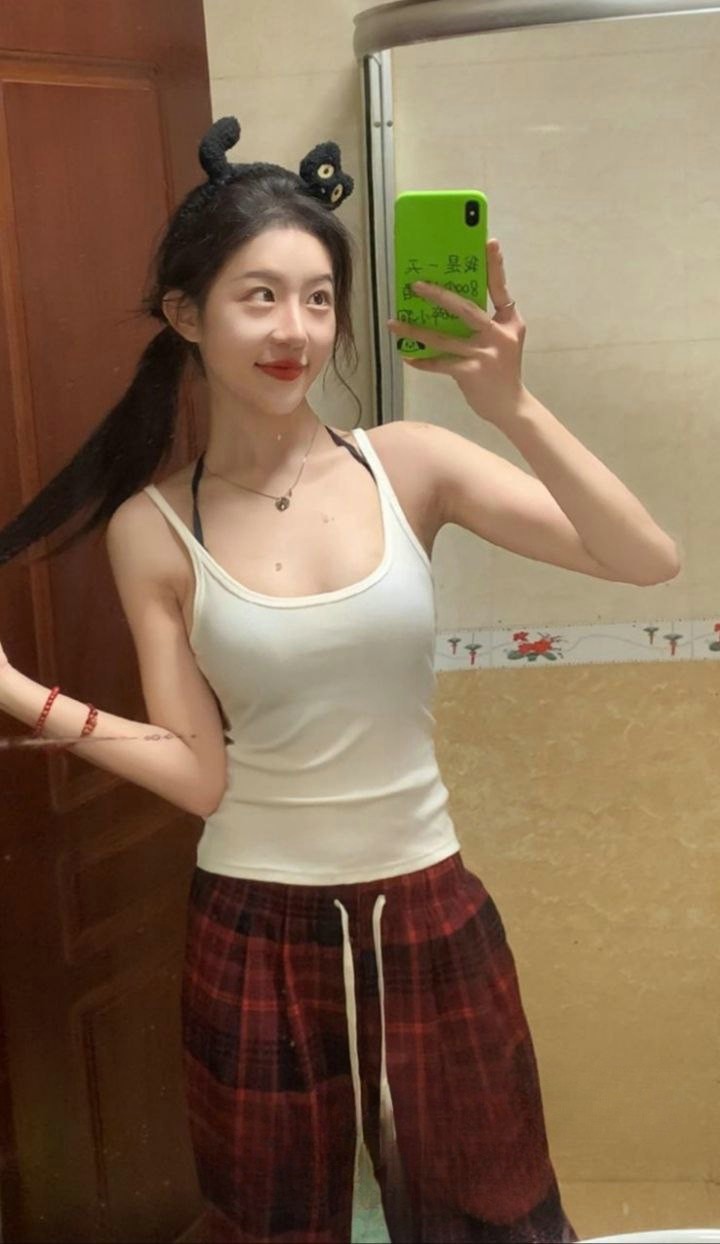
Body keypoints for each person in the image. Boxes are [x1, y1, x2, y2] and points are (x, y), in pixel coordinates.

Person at [0, 117, 679, 1244]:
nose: (296, 329)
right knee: (276, 1224)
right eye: (260, 296)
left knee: (493, 1213)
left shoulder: (409, 465)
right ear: (186, 314)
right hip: (252, 923)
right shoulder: (152, 528)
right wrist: (18, 692)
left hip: (429, 907)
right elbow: (201, 774)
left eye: (319, 298)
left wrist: (510, 406)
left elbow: (644, 559)